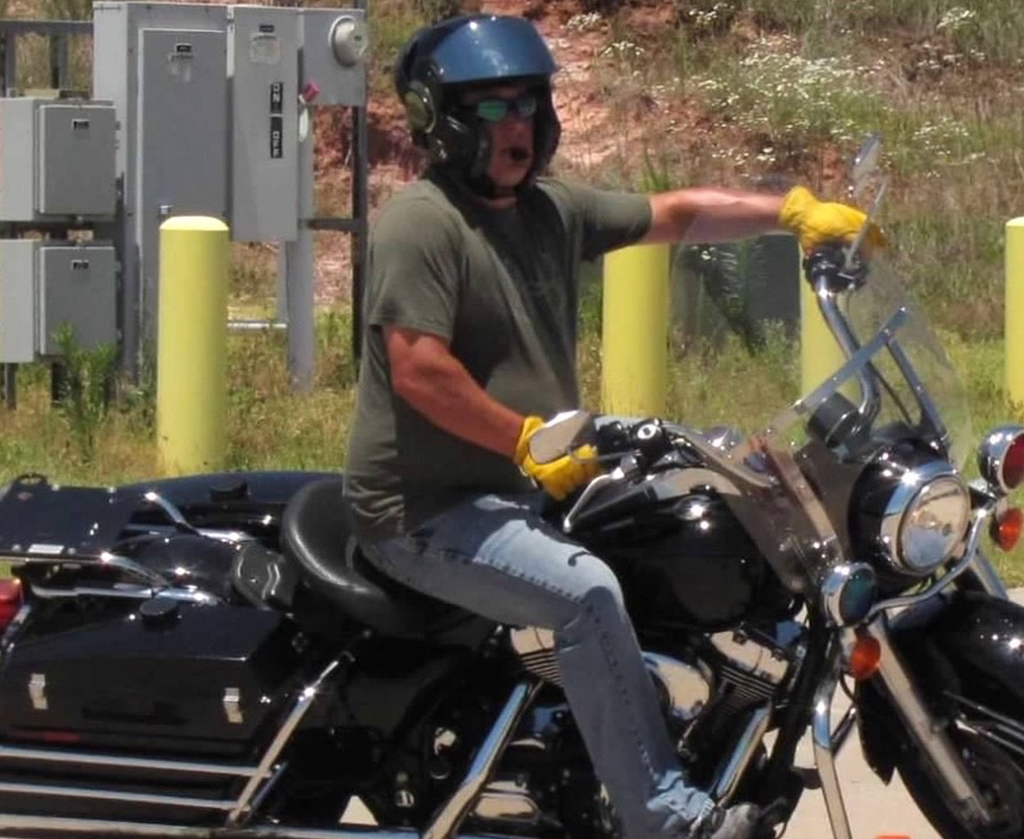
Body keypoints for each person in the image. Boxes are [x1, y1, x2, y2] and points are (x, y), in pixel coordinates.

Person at [343, 14, 875, 839]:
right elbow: (418, 369)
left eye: (527, 102)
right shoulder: (422, 223)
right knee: (587, 594)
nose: (516, 123)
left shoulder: (548, 209)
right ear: (442, 121)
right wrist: (521, 441)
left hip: (519, 485)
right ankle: (663, 816)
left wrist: (796, 211)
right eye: (489, 109)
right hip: (423, 511)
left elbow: (676, 214)